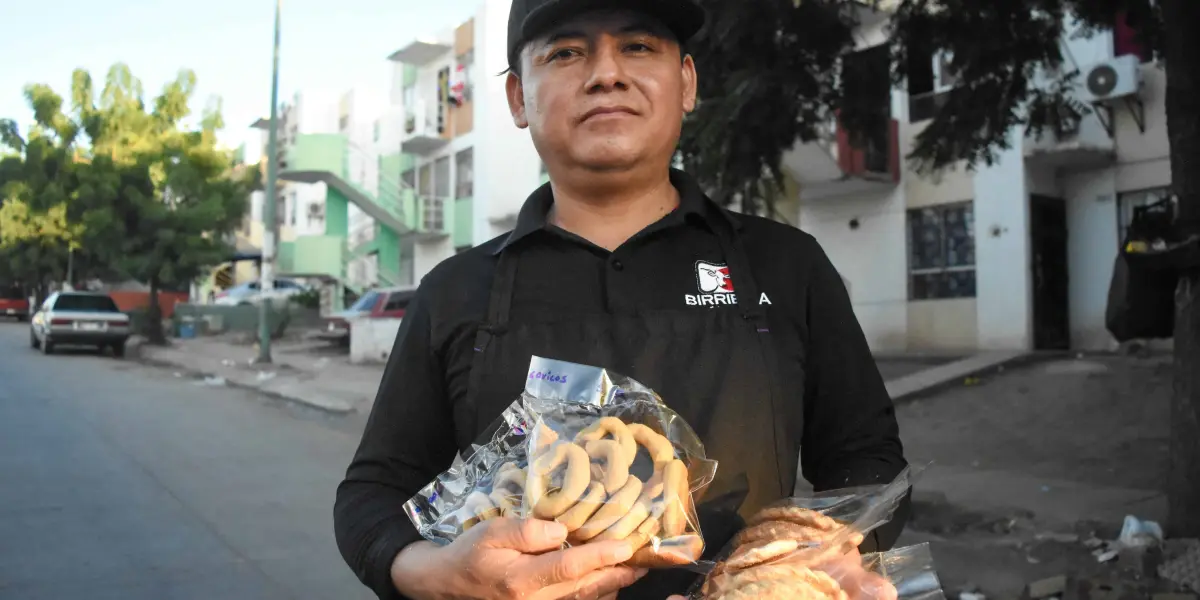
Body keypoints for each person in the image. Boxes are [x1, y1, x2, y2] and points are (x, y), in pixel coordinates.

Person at [333, 0, 910, 597]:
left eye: (638, 46)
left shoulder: (786, 264)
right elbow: (372, 494)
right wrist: (439, 576)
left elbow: (867, 458)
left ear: (686, 82)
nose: (607, 73)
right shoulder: (454, 291)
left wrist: (831, 555)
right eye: (566, 52)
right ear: (516, 99)